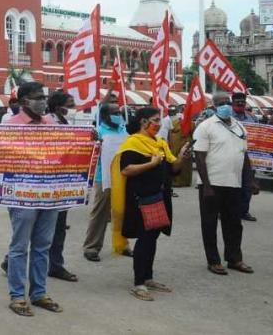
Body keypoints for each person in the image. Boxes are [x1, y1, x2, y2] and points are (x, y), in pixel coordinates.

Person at [112, 107, 191, 300]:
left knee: (153, 238)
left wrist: (181, 156)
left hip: (160, 197)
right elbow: (127, 170)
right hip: (142, 199)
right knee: (144, 239)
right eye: (155, 120)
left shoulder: (159, 143)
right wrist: (151, 164)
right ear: (143, 122)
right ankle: (139, 283)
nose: (158, 123)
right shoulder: (132, 144)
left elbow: (173, 169)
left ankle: (148, 278)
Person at [2, 82, 62, 317]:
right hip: (22, 195)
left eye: (44, 97)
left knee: (43, 246)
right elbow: (1, 159)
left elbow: (62, 152)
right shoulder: (10, 126)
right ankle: (17, 296)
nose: (43, 102)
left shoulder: (50, 123)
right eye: (38, 97)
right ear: (25, 100)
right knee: (19, 247)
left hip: (48, 194)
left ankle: (39, 293)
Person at [194, 91, 257, 276]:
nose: (225, 105)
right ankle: (213, 261)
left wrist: (250, 180)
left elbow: (244, 155)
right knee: (210, 223)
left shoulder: (239, 126)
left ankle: (234, 258)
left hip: (234, 183)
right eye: (220, 103)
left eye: (226, 102)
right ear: (213, 106)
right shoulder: (205, 127)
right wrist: (206, 185)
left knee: (234, 223)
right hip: (212, 184)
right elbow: (199, 157)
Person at [83, 100, 130, 262]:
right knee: (100, 213)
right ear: (105, 115)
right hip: (103, 177)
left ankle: (122, 244)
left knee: (122, 211)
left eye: (119, 112)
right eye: (114, 113)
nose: (118, 115)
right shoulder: (98, 132)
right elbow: (89, 155)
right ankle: (91, 247)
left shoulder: (125, 129)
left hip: (123, 175)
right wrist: (97, 143)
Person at [44, 90, 78, 282]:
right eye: (70, 104)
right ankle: (11, 260)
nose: (73, 108)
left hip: (63, 180)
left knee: (58, 226)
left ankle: (55, 265)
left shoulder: (68, 122)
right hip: (47, 181)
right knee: (40, 225)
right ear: (58, 106)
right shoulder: (46, 122)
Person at [231, 92, 258, 222]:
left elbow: (259, 135)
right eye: (237, 101)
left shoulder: (252, 118)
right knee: (231, 185)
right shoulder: (228, 117)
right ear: (232, 101)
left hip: (250, 157)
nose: (240, 103)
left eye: (242, 100)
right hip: (231, 157)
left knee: (247, 186)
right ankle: (227, 211)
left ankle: (244, 211)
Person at [169, 104, 193, 189]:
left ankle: (183, 181)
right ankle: (180, 181)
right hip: (178, 143)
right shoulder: (175, 120)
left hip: (180, 143)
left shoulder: (188, 121)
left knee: (184, 162)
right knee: (178, 161)